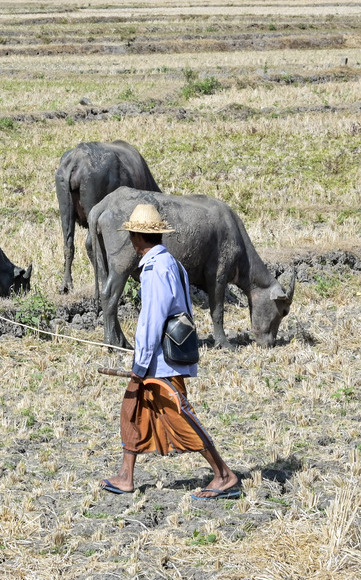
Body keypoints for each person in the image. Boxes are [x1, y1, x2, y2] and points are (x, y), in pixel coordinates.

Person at [100, 203, 240, 500]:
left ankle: (224, 475)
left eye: (131, 235)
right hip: (163, 356)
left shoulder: (155, 269)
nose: (130, 240)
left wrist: (140, 364)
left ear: (138, 237)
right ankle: (126, 476)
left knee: (180, 417)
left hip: (161, 361)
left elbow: (152, 319)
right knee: (132, 408)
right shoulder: (170, 262)